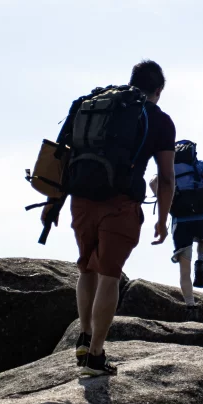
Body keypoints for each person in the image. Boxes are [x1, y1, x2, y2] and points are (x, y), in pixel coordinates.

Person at [43, 60, 175, 377]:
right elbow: (167, 177)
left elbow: (59, 155)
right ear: (159, 90)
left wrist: (52, 203)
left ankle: (85, 335)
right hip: (122, 202)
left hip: (81, 199)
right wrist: (163, 218)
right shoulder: (159, 120)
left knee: (87, 266)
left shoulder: (92, 105)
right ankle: (96, 355)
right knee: (110, 274)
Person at [150, 142, 203, 313]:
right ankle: (202, 261)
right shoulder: (200, 165)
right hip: (202, 217)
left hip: (181, 221)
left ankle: (190, 306)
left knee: (184, 270)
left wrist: (167, 205)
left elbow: (153, 182)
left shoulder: (169, 169)